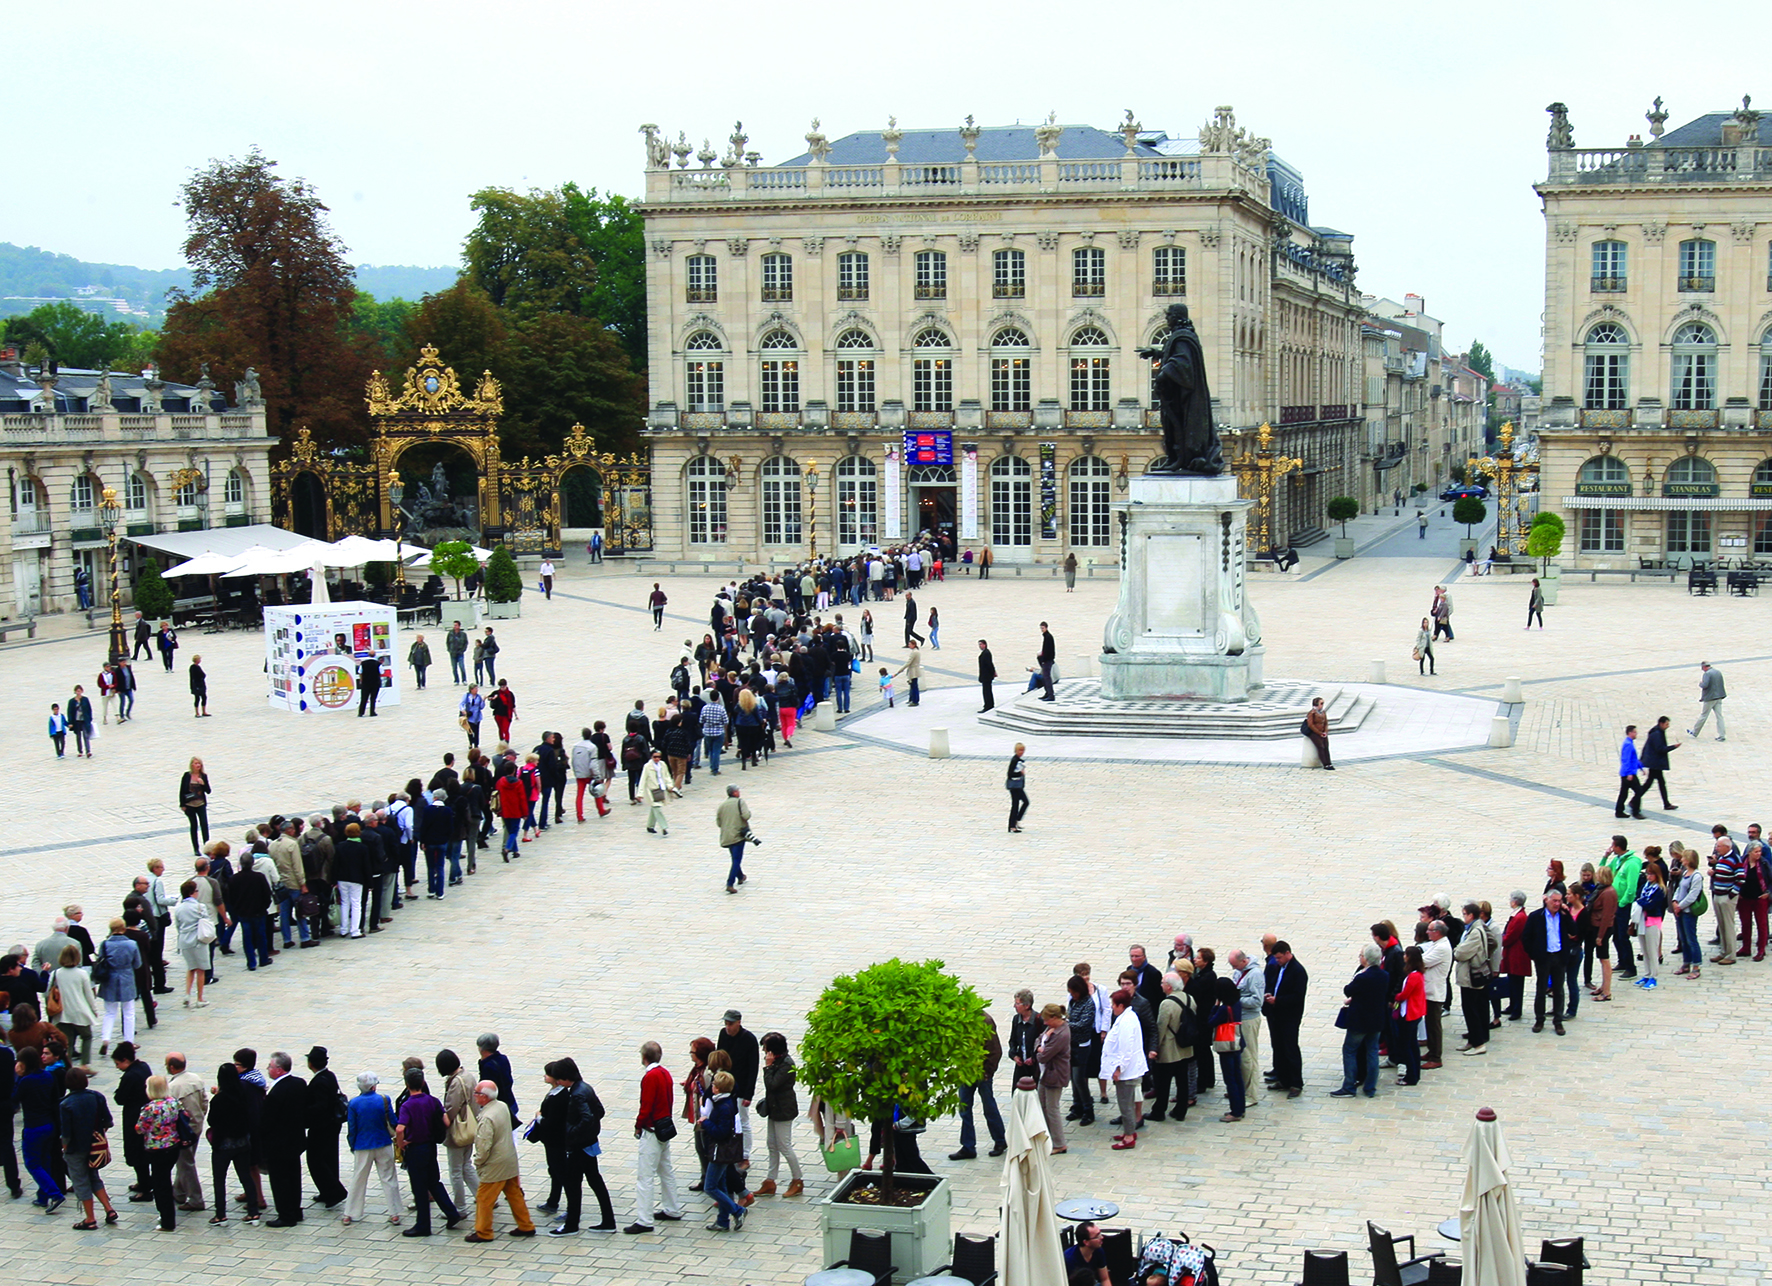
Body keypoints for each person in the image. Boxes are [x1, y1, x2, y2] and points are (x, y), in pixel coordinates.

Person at [625, 1040, 683, 1234]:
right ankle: (672, 1208)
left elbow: (646, 1105)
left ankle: (644, 1220)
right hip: (664, 1127)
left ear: (644, 1058)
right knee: (665, 1170)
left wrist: (638, 1125)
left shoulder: (650, 1077)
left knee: (645, 1176)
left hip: (651, 1129)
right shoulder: (665, 1073)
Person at [467, 1078, 536, 1241]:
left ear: (484, 1097)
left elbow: (484, 1145)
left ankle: (483, 1232)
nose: (474, 1096)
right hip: (509, 1159)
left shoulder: (486, 1117)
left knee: (484, 1198)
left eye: (476, 1093)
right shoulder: (502, 1106)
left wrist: (478, 1161)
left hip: (495, 1164)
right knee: (514, 1193)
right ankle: (526, 1225)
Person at [395, 1067, 461, 1236]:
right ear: (423, 1082)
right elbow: (446, 1121)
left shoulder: (407, 1105)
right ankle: (452, 1213)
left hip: (415, 1148)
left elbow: (400, 1128)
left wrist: (401, 1144)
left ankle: (423, 1225)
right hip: (430, 1146)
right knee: (434, 1181)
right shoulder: (432, 1100)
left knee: (419, 1186)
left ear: (407, 1084)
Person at [58, 1066, 118, 1229]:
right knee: (93, 1176)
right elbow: (108, 1121)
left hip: (76, 1148)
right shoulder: (97, 1096)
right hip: (95, 1148)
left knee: (80, 1181)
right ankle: (109, 1208)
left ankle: (90, 1218)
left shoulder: (65, 1104)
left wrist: (64, 1147)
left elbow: (66, 1133)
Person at [205, 1062, 262, 1225]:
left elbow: (211, 1120)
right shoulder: (243, 1094)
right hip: (243, 1142)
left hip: (223, 1144)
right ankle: (253, 1211)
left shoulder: (219, 1100)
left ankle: (220, 1215)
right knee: (245, 1176)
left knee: (219, 1179)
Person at [343, 1071, 401, 1226]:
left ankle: (350, 1213)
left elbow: (352, 1128)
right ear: (374, 1086)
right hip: (383, 1142)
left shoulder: (354, 1104)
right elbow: (394, 1121)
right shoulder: (384, 1099)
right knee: (388, 1177)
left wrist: (352, 1144)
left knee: (359, 1178)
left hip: (362, 1145)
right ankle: (394, 1213)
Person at [1332, 945, 1389, 1098]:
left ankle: (1349, 1086)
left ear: (1367, 958)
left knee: (1350, 1050)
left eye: (1361, 955)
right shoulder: (1384, 975)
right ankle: (1370, 1087)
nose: (1360, 957)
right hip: (1376, 1021)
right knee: (1372, 1053)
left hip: (1359, 1021)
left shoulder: (1362, 977)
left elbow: (1348, 990)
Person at [951, 1009, 1007, 1162]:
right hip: (966, 1071)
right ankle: (968, 1147)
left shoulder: (985, 1021)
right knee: (964, 1108)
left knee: (989, 1107)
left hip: (982, 1072)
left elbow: (996, 1050)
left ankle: (1000, 1141)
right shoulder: (960, 1020)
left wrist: (988, 1071)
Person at [258, 1052, 307, 1226]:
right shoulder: (299, 1083)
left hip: (278, 1144)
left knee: (280, 1181)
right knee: (294, 1177)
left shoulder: (276, 1093)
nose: (268, 1069)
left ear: (279, 1069)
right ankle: (295, 1209)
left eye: (270, 1066)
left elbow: (267, 1120)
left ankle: (286, 1215)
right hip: (295, 1141)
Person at [135, 1074, 188, 1231]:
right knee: (164, 1179)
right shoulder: (174, 1103)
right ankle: (166, 1215)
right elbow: (185, 1117)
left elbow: (140, 1128)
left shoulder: (149, 1108)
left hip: (156, 1149)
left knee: (160, 1184)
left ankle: (167, 1220)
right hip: (173, 1146)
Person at [699, 1070, 746, 1232]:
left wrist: (705, 1123)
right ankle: (722, 1221)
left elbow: (721, 1132)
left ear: (718, 1088)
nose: (711, 1087)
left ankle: (737, 1210)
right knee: (721, 1185)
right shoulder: (726, 1102)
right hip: (722, 1151)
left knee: (710, 1187)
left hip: (720, 1152)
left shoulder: (724, 1107)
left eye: (713, 1084)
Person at [757, 1033, 803, 1194]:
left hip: (784, 1110)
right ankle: (770, 1180)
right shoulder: (778, 1061)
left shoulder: (786, 1064)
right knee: (771, 1144)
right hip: (773, 1108)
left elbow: (772, 1084)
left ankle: (797, 1179)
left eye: (765, 1047)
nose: (763, 1050)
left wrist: (768, 1067)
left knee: (784, 1145)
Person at [1100, 989, 1147, 1149]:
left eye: (1114, 1004)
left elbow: (1126, 1049)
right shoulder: (1127, 1017)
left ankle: (1128, 1137)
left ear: (1121, 1005)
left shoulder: (1127, 1021)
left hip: (1127, 1071)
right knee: (1126, 1102)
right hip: (1129, 1068)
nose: (1112, 1007)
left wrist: (1119, 1068)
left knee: (1125, 1104)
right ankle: (1130, 1130)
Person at [1526, 890, 1577, 1031]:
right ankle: (1539, 1019)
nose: (1557, 904)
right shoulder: (1536, 916)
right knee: (1541, 989)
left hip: (1559, 957)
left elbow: (1574, 931)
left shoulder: (1563, 916)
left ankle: (1558, 1020)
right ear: (1546, 900)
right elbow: (1526, 937)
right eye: (1554, 900)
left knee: (1559, 990)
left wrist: (1568, 916)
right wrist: (1534, 955)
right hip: (1544, 957)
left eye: (1559, 901)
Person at [1261, 942, 1307, 1097]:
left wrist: (1278, 1000)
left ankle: (1296, 1083)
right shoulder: (1278, 967)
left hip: (1290, 1016)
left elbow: (1297, 996)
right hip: (1276, 1014)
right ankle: (1283, 1078)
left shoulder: (1298, 971)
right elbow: (1273, 984)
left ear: (1288, 953)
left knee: (1290, 1048)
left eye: (1280, 957)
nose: (1278, 960)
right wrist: (1269, 994)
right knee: (1278, 1047)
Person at [1452, 902, 1495, 1055]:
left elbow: (1461, 953)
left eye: (1464, 914)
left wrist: (1457, 950)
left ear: (1470, 915)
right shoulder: (1475, 927)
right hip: (1471, 974)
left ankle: (1478, 1043)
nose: (1463, 917)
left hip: (1471, 976)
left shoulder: (1475, 931)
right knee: (1475, 1007)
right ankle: (1474, 1039)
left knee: (1471, 1009)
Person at [94, 919, 141, 1054]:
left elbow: (101, 961)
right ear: (123, 928)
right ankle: (129, 1042)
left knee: (109, 1012)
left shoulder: (105, 944)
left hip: (109, 979)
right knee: (128, 1012)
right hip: (126, 978)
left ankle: (106, 1039)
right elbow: (137, 964)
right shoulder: (132, 944)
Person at [50, 944, 99, 1069]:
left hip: (61, 1013)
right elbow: (89, 995)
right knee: (87, 1036)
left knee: (67, 1041)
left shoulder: (55, 973)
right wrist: (94, 1010)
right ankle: (84, 1064)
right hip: (79, 1011)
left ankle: (68, 1066)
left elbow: (47, 993)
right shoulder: (82, 974)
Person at [1209, 977, 1246, 1121]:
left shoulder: (1224, 1009)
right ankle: (1240, 1108)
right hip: (1237, 1043)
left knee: (1230, 1079)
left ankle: (1235, 1112)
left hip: (1227, 1046)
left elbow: (1210, 1021)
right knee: (1237, 1077)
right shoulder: (1236, 1003)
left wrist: (1215, 1006)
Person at [1035, 1002, 1071, 1151]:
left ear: (1055, 1018)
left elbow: (1044, 1056)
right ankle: (1048, 1137)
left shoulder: (1061, 1034)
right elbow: (1038, 1040)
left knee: (1052, 1109)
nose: (1045, 1023)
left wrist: (1040, 1049)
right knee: (1042, 1105)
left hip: (1055, 1075)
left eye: (1047, 1020)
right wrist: (1041, 1045)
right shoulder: (1053, 1028)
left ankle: (1059, 1143)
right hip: (1046, 1074)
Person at [1634, 860, 1669, 990]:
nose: (1649, 877)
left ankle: (1654, 976)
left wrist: (1642, 902)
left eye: (1651, 874)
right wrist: (1642, 901)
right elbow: (1638, 898)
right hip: (1642, 920)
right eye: (1647, 874)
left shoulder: (1660, 889)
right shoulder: (1645, 886)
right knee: (1644, 950)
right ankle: (1647, 974)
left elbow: (1652, 905)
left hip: (1653, 921)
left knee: (1652, 950)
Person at [1672, 849, 1705, 978]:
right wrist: (1675, 901)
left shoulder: (1696, 876)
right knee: (1684, 939)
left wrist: (1680, 906)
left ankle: (1696, 966)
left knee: (1691, 938)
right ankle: (1686, 963)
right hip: (1680, 910)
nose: (1682, 860)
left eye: (1684, 858)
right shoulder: (1686, 873)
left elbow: (1692, 895)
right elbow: (1680, 888)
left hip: (1688, 912)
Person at [716, 785, 751, 893]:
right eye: (738, 791)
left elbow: (718, 822)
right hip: (738, 835)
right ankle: (730, 883)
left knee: (734, 857)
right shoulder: (740, 802)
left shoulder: (722, 806)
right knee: (736, 859)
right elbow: (746, 816)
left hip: (727, 835)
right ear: (734, 793)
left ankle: (740, 876)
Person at [178, 758, 212, 857]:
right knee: (194, 826)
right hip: (190, 805)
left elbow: (208, 791)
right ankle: (196, 848)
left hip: (200, 804)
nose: (198, 765)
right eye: (196, 763)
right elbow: (182, 790)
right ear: (192, 765)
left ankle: (207, 846)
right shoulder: (187, 776)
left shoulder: (203, 776)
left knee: (204, 825)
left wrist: (203, 784)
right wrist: (182, 804)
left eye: (199, 763)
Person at [1066, 1221, 1114, 1285]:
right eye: (1097, 1236)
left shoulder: (1098, 1250)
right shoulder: (1070, 1260)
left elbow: (1105, 1279)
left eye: (1100, 1234)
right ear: (1086, 1242)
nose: (1102, 1237)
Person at [1689, 661, 1726, 741]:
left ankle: (1695, 732)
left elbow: (1705, 685)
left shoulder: (1707, 674)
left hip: (1710, 698)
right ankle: (1722, 735)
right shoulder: (1718, 672)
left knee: (1703, 715)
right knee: (1719, 716)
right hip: (1718, 697)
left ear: (1704, 667)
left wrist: (1700, 684)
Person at [1615, 724, 1644, 820]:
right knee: (1639, 791)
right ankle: (1635, 811)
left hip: (1627, 772)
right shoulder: (1628, 744)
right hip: (1629, 773)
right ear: (1630, 733)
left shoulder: (1629, 743)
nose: (1636, 734)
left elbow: (1634, 759)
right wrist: (1629, 773)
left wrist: (1641, 767)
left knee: (1624, 793)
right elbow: (1626, 760)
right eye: (1635, 732)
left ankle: (1619, 811)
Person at [1302, 696, 1333, 770]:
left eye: (1323, 703)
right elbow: (1311, 724)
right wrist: (1319, 733)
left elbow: (1325, 723)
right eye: (1321, 703)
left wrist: (1325, 731)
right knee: (1321, 747)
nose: (1322, 705)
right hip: (1314, 733)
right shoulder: (1312, 713)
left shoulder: (1323, 712)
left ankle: (1329, 763)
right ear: (1316, 704)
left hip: (1322, 732)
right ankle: (1325, 764)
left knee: (1326, 747)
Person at [1006, 743, 1029, 833]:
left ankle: (1014, 822)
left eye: (1023, 750)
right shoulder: (1015, 760)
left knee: (1022, 803)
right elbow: (1010, 774)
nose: (1021, 752)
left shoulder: (1019, 760)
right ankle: (1013, 824)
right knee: (1017, 805)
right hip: (1014, 787)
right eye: (1020, 750)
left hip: (1018, 786)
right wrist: (1020, 773)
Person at [892, 640, 923, 707]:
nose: (909, 645)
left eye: (910, 644)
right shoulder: (916, 651)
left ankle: (915, 701)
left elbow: (908, 662)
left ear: (913, 645)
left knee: (914, 686)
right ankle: (912, 699)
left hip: (913, 671)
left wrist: (900, 670)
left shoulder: (914, 652)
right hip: (915, 670)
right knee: (913, 686)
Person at [68, 685, 94, 757]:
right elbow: (70, 712)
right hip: (76, 721)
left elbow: (89, 709)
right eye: (77, 691)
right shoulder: (72, 701)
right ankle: (80, 751)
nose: (78, 692)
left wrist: (90, 718)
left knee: (86, 735)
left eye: (79, 691)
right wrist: (70, 722)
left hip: (84, 720)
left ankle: (88, 751)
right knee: (78, 736)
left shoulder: (85, 699)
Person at [1037, 622, 1056, 700]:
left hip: (1047, 661)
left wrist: (1043, 659)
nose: (1042, 630)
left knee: (1047, 678)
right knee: (1045, 677)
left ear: (1046, 628)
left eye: (1043, 628)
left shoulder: (1048, 637)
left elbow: (1048, 651)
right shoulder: (1046, 636)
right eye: (1041, 628)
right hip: (1047, 660)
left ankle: (1051, 695)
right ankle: (1047, 693)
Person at [977, 639, 997, 712]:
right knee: (987, 691)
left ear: (985, 644)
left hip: (986, 676)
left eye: (981, 644)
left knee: (987, 691)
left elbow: (989, 664)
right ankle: (989, 704)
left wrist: (993, 672)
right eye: (979, 644)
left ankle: (988, 705)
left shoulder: (986, 653)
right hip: (985, 675)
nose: (980, 646)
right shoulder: (985, 653)